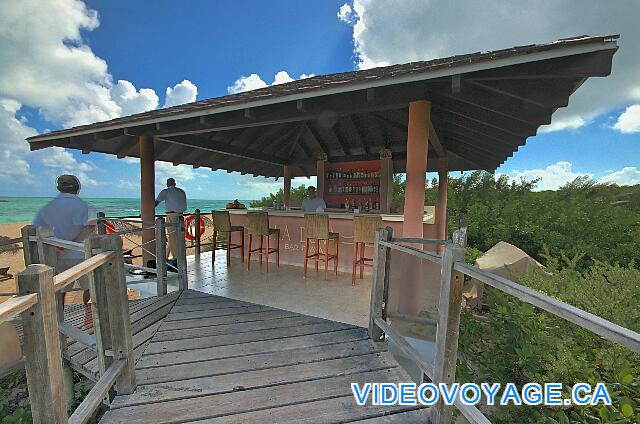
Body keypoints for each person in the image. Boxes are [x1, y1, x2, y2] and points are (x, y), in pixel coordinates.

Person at [33, 175, 95, 304]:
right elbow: (88, 228)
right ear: (78, 188)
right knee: (90, 288)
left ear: (58, 188)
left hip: (54, 256)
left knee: (59, 289)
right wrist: (66, 246)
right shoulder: (82, 206)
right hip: (78, 254)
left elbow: (38, 230)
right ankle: (89, 321)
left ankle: (59, 320)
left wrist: (57, 248)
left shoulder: (47, 207)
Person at [155, 178, 187, 262]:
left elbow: (156, 203)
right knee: (178, 237)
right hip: (181, 216)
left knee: (172, 237)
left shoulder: (165, 191)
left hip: (171, 216)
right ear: (175, 183)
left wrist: (146, 210)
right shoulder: (181, 191)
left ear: (167, 184)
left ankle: (176, 259)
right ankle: (168, 256)